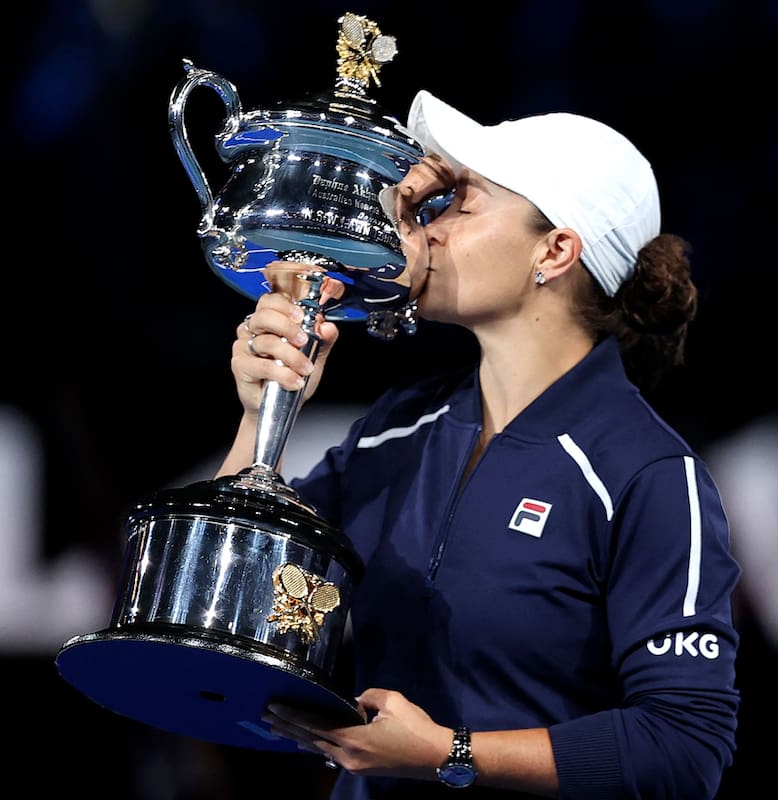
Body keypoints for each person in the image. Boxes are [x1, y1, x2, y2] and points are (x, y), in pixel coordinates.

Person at [216, 89, 741, 799]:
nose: (424, 229)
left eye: (461, 202)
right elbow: (230, 620)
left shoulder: (646, 474)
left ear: (554, 251)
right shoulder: (398, 427)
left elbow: (684, 750)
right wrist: (262, 414)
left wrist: (447, 752)